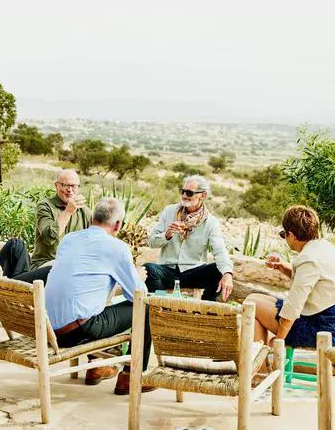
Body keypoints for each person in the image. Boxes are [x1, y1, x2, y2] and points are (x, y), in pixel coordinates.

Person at [45, 197, 156, 395]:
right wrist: (138, 277)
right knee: (146, 309)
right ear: (118, 225)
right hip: (75, 333)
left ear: (92, 218)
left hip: (47, 330)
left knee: (92, 302)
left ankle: (96, 367)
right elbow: (138, 296)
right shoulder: (117, 248)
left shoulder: (69, 239)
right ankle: (132, 377)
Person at [246, 205, 335, 349]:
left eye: (284, 234)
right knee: (254, 299)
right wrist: (283, 267)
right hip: (326, 318)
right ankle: (262, 358)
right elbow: (312, 282)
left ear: (292, 235)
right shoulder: (324, 246)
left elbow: (293, 308)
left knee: (251, 305)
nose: (284, 238)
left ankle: (263, 360)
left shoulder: (309, 259)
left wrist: (279, 341)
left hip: (319, 327)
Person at [144, 175, 234, 301]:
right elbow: (151, 242)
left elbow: (220, 251)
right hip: (168, 271)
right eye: (183, 191)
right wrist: (167, 234)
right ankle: (160, 305)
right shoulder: (169, 211)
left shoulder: (211, 222)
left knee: (219, 271)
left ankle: (203, 308)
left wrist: (227, 273)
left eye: (189, 193)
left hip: (193, 272)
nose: (184, 196)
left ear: (202, 195)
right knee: (148, 269)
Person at [31, 169, 91, 270]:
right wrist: (68, 212)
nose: (70, 190)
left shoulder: (84, 211)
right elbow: (49, 237)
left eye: (73, 186)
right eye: (65, 185)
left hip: (74, 266)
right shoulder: (45, 206)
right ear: (56, 185)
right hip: (46, 264)